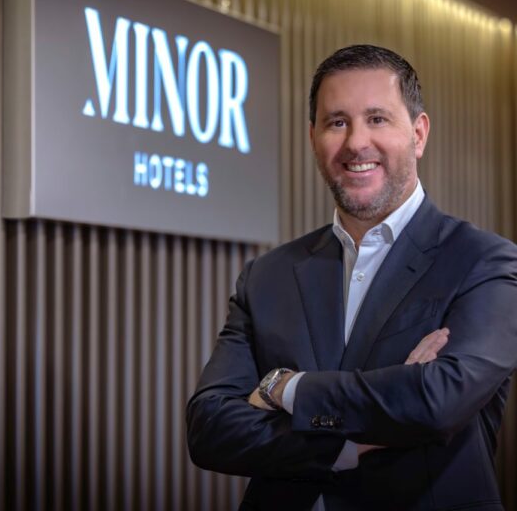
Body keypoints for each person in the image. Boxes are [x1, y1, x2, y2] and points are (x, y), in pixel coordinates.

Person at [186, 44, 517, 510]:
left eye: (377, 119)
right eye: (337, 122)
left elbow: (437, 401)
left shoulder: (486, 262)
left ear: (418, 134)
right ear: (313, 138)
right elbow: (210, 428)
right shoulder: (267, 276)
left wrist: (284, 388)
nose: (356, 142)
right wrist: (347, 443)